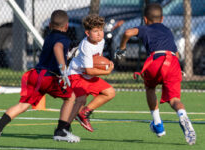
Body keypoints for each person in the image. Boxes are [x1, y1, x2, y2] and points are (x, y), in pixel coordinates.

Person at [0, 10, 80, 150]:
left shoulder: (49, 37)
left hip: (35, 75)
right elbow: (57, 48)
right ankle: (61, 131)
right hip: (48, 77)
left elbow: (54, 53)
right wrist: (63, 69)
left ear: (49, 25)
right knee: (70, 97)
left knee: (23, 105)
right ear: (66, 26)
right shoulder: (64, 40)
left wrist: (68, 57)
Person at [115, 3, 196, 145]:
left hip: (155, 62)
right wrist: (177, 69)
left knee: (150, 88)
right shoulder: (168, 31)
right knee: (174, 100)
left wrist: (122, 48)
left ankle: (158, 124)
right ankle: (183, 115)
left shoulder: (145, 28)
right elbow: (175, 53)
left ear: (145, 19)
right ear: (162, 19)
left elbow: (127, 33)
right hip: (172, 62)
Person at [67, 14, 115, 132]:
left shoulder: (101, 41)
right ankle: (63, 128)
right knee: (81, 100)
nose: (99, 33)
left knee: (110, 92)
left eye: (101, 30)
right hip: (76, 74)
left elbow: (98, 58)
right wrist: (106, 71)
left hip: (87, 74)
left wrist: (104, 66)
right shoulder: (86, 46)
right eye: (95, 31)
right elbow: (89, 70)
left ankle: (84, 113)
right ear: (87, 33)